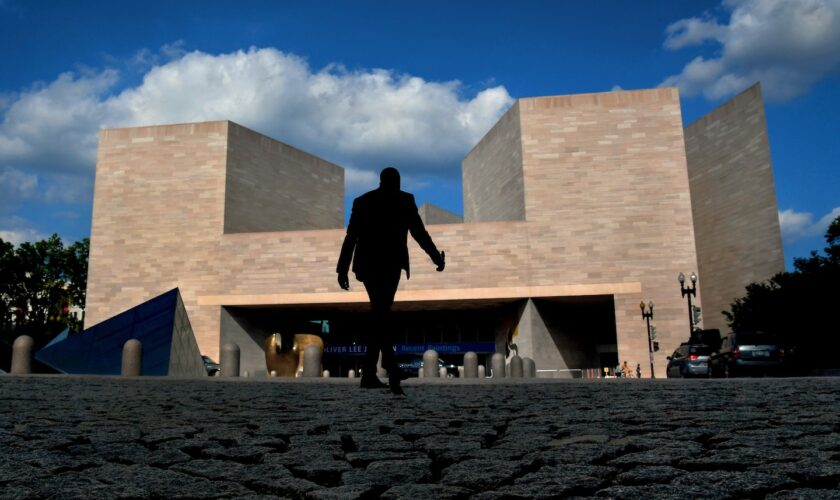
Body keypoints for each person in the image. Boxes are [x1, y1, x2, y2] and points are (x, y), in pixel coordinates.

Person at [337, 167, 445, 395]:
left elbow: (351, 237)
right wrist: (436, 257)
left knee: (380, 313)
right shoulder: (404, 200)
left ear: (380, 180)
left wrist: (342, 269)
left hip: (370, 265)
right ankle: (391, 367)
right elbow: (419, 233)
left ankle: (370, 372)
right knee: (381, 312)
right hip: (389, 265)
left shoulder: (363, 201)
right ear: (396, 181)